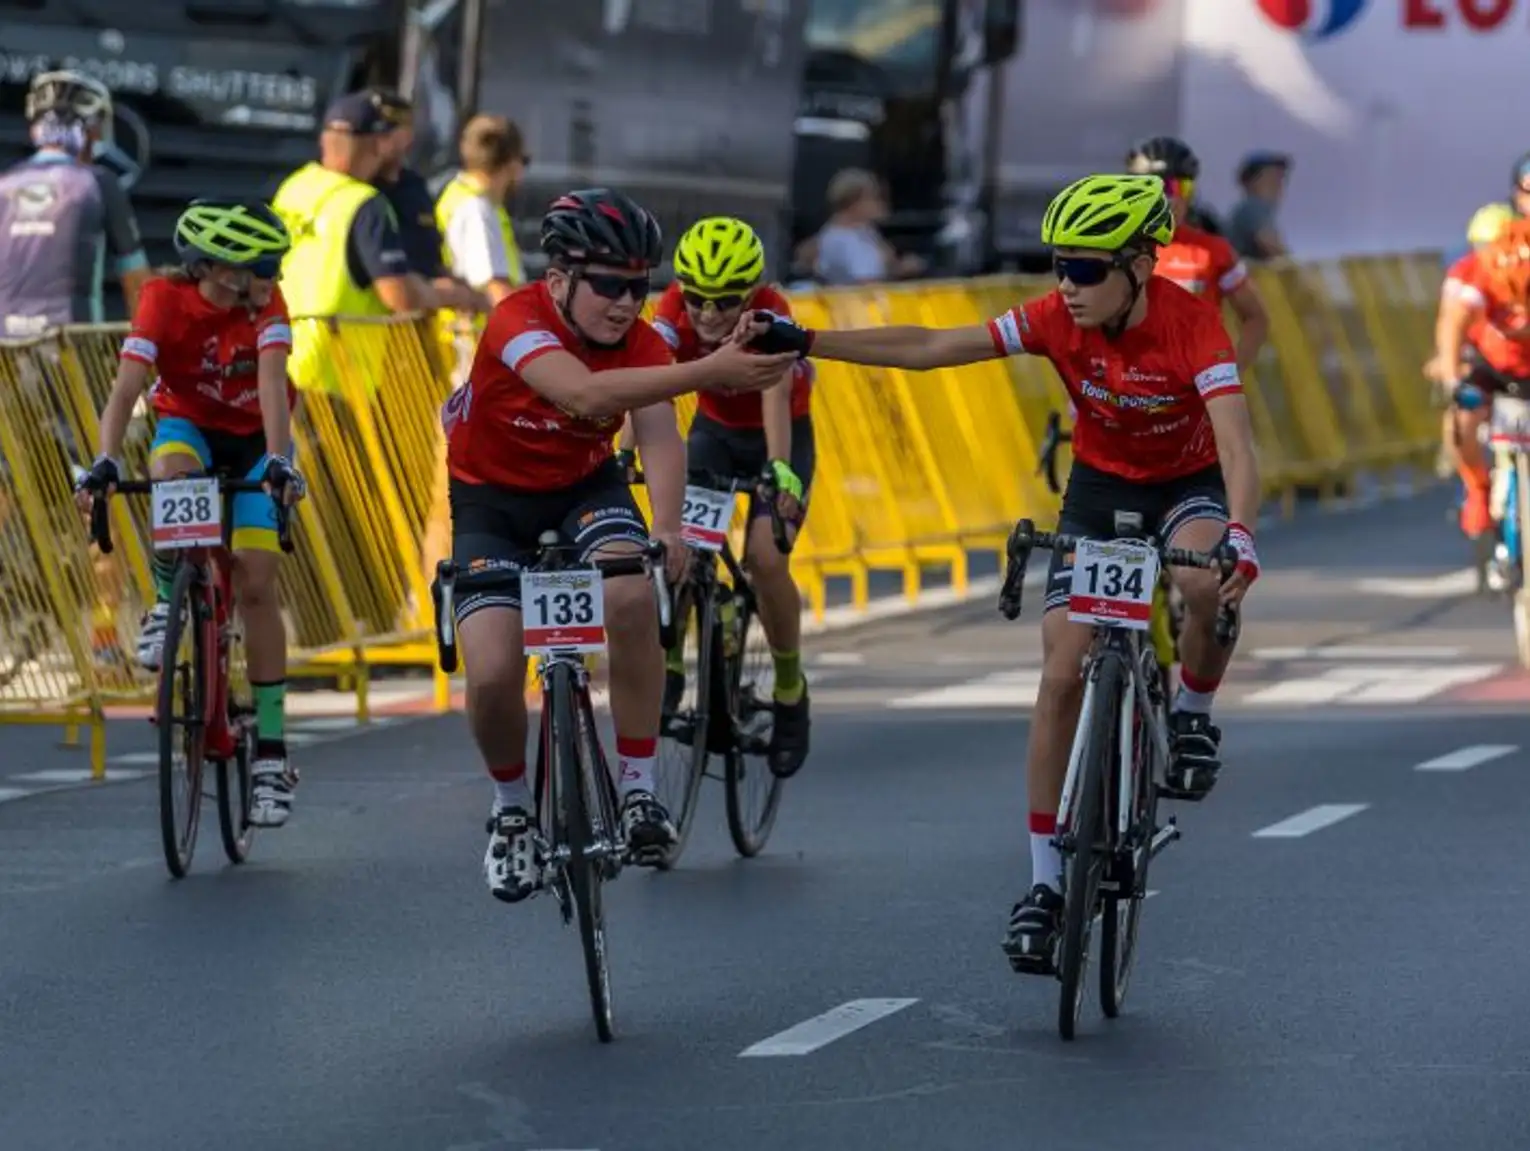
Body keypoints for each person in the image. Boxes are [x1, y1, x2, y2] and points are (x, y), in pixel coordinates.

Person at [739, 174, 1261, 970]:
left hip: (1185, 485)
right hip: (1098, 487)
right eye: (1059, 265)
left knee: (1197, 583)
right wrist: (808, 341)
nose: (1067, 284)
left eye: (1087, 270)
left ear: (1140, 268)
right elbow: (930, 349)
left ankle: (1191, 711)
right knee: (1062, 669)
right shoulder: (1056, 317)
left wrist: (1242, 536)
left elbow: (1236, 445)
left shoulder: (1194, 328)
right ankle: (1046, 885)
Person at [444, 188, 797, 902]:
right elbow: (584, 397)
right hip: (491, 500)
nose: (623, 302)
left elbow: (660, 431)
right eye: (606, 284)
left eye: (637, 286)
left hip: (586, 488)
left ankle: (638, 787)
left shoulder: (641, 341)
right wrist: (709, 370)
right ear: (558, 281)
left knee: (634, 594)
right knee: (489, 670)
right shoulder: (517, 319)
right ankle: (512, 807)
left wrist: (666, 528)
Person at [75, 199, 307, 829]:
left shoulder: (267, 307)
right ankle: (163, 603)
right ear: (220, 268)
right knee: (170, 471)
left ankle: (272, 751)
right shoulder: (162, 300)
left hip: (256, 438)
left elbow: (269, 384)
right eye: (264, 265)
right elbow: (127, 388)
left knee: (258, 580)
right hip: (189, 425)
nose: (274, 278)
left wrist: (280, 460)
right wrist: (103, 460)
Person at [621, 216, 816, 777]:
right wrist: (622, 453)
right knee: (677, 547)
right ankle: (675, 668)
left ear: (752, 293)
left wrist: (781, 473)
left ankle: (788, 690)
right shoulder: (672, 311)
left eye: (726, 302)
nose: (708, 315)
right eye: (699, 300)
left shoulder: (772, 314)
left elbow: (775, 397)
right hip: (713, 436)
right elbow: (645, 384)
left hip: (778, 438)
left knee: (763, 559)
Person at [270, 92, 445, 320]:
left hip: (281, 344)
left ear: (324, 141)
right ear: (376, 146)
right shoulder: (365, 203)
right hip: (337, 350)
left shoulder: (294, 187)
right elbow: (400, 297)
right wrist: (444, 295)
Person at [0, 69, 150, 333]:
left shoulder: (5, 184)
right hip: (72, 348)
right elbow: (139, 287)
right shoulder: (98, 183)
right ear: (89, 131)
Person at [1127, 136, 1269, 372]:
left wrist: (1228, 376)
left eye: (1180, 187)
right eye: (1158, 188)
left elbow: (1256, 318)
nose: (1171, 199)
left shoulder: (1214, 251)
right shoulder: (1112, 249)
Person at [1432, 218, 1530, 548]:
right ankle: (1477, 488)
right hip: (1494, 367)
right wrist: (1450, 376)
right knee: (1461, 418)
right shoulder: (1479, 273)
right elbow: (1453, 323)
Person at [367, 88, 487, 313]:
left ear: (407, 135)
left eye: (388, 132)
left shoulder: (414, 187)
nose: (380, 141)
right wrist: (439, 292)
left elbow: (430, 256)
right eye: (375, 133)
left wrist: (465, 292)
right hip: (375, 326)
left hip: (418, 329)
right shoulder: (362, 191)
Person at [436, 113, 530, 308]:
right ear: (513, 164)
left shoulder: (457, 193)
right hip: (476, 335)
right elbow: (498, 293)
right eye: (525, 160)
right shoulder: (478, 211)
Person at [1225, 151, 1291, 262]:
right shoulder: (1252, 208)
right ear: (1252, 182)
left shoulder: (1248, 210)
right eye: (1271, 178)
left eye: (1281, 179)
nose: (1278, 185)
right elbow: (1273, 247)